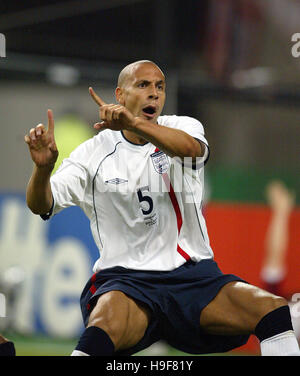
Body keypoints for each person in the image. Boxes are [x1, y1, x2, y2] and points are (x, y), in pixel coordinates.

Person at [15, 60, 299, 357]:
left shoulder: (182, 127)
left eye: (159, 86)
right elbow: (41, 204)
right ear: (120, 95)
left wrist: (133, 123)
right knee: (102, 329)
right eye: (143, 85)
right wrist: (43, 170)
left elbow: (189, 150)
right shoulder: (93, 152)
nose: (154, 93)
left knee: (274, 312)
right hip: (127, 282)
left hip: (193, 279)